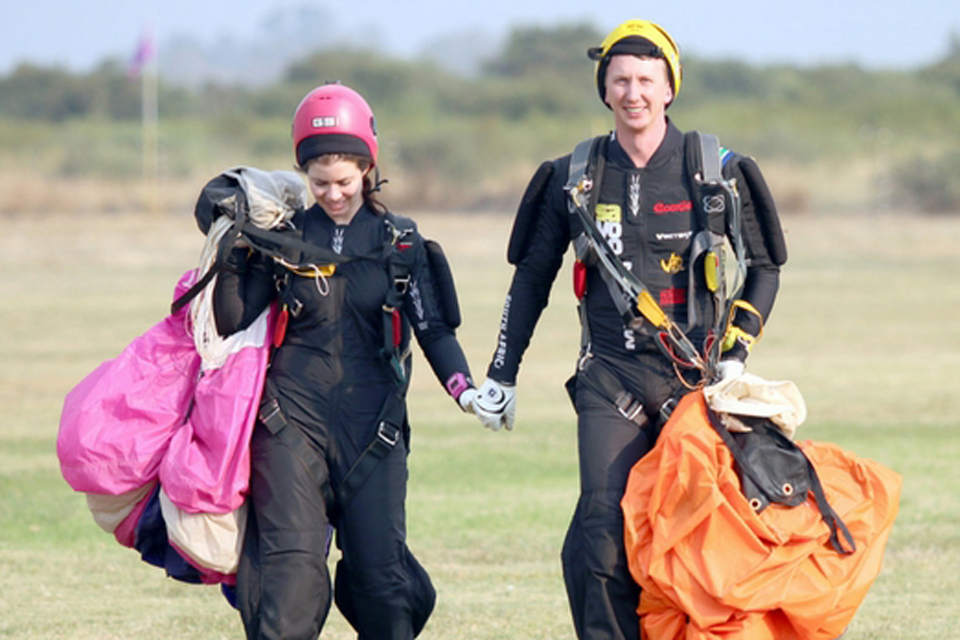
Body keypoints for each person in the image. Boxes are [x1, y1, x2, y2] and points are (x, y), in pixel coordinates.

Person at [467, 19, 788, 640]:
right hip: (609, 380)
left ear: (670, 89)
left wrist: (735, 354)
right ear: (604, 90)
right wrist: (502, 372)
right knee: (603, 532)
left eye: (646, 79)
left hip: (695, 382)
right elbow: (531, 279)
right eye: (620, 80)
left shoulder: (716, 172)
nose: (633, 92)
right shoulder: (574, 177)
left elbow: (766, 268)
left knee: (700, 534)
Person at [214, 82, 478, 640]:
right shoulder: (283, 239)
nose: (333, 194)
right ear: (304, 175)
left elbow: (433, 330)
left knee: (382, 588)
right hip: (288, 426)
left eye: (344, 181)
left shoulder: (400, 243)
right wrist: (236, 246)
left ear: (367, 170)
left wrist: (464, 388)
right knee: (289, 587)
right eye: (319, 183)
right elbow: (233, 318)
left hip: (374, 432)